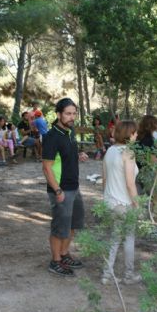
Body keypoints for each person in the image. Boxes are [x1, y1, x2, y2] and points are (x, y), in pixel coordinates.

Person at [42, 98, 89, 277]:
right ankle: (55, 261)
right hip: (60, 189)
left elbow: (65, 155)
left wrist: (78, 155)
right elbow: (46, 167)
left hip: (74, 187)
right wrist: (57, 190)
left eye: (74, 113)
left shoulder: (69, 132)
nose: (72, 117)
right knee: (59, 227)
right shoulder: (51, 137)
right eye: (68, 113)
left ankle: (64, 254)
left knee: (73, 224)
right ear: (59, 114)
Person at [101, 120, 142, 285]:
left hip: (110, 201)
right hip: (124, 204)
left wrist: (106, 198)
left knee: (114, 238)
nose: (137, 135)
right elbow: (130, 183)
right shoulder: (128, 153)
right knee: (129, 238)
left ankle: (107, 274)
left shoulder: (109, 151)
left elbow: (104, 179)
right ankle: (129, 275)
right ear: (129, 134)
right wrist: (137, 204)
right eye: (135, 132)